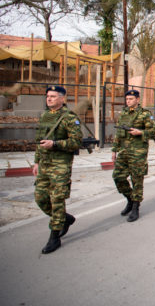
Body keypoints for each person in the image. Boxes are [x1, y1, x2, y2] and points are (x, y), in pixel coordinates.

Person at [33, 85, 83, 254]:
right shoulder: (45, 116)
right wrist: (36, 162)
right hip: (45, 164)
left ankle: (54, 237)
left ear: (62, 99)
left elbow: (76, 142)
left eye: (53, 96)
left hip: (60, 165)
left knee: (57, 200)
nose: (49, 99)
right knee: (40, 198)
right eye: (48, 96)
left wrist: (55, 144)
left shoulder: (69, 117)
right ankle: (65, 219)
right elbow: (40, 141)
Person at [112, 89, 155, 222]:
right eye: (127, 99)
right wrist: (114, 150)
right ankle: (130, 199)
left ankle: (136, 207)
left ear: (137, 99)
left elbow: (154, 131)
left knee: (137, 180)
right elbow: (118, 133)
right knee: (118, 177)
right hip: (124, 151)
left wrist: (140, 132)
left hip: (138, 152)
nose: (128, 101)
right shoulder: (123, 114)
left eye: (131, 99)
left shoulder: (145, 114)